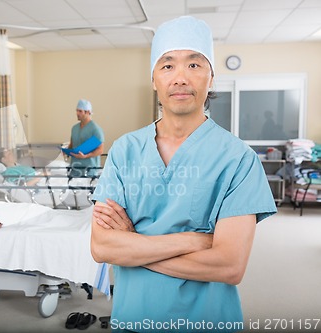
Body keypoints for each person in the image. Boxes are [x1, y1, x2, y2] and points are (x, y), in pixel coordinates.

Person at [90, 16, 277, 332]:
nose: (180, 78)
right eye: (167, 66)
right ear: (153, 80)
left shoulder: (238, 159)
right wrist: (194, 240)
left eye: (194, 65)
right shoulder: (124, 151)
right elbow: (103, 248)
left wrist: (133, 247)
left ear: (211, 78)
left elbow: (230, 266)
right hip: (135, 317)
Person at [66, 99, 104, 177]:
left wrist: (86, 156)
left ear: (87, 112)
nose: (77, 113)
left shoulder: (95, 129)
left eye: (80, 111)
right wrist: (66, 151)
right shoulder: (75, 128)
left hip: (89, 171)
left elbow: (100, 150)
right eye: (76, 111)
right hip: (75, 169)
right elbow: (72, 144)